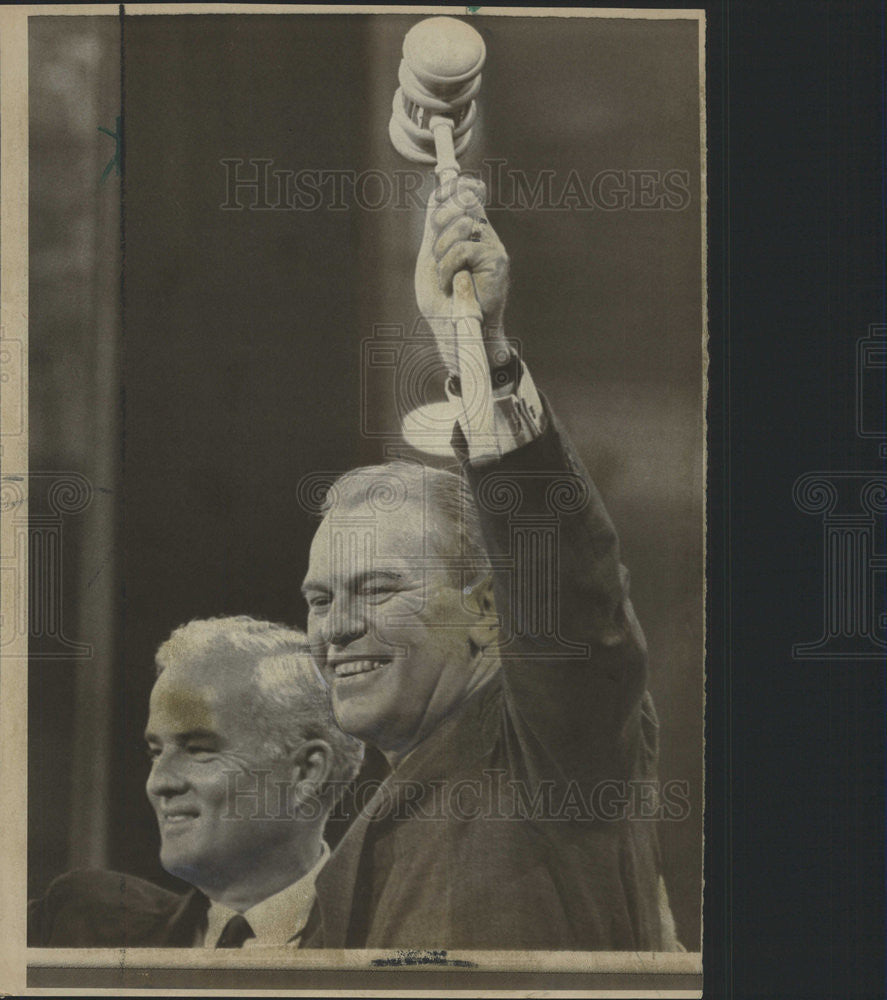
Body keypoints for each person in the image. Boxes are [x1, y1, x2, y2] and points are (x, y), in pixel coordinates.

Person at [300, 176, 681, 950]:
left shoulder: (554, 744)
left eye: (376, 588)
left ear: (484, 611)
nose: (334, 628)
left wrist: (479, 356)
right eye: (317, 598)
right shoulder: (346, 861)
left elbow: (572, 599)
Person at [27, 616, 363, 948]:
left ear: (306, 772)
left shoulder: (384, 942)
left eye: (199, 750)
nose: (159, 782)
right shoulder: (81, 924)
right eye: (156, 752)